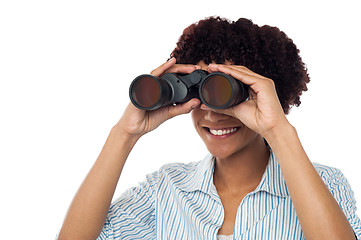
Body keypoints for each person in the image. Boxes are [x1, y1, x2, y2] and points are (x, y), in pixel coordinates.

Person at [58, 17, 361, 239]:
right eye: (200, 94)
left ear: (264, 95)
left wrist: (277, 129)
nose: (214, 114)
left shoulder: (325, 185)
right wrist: (124, 133)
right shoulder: (166, 190)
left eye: (225, 94)